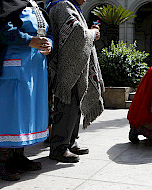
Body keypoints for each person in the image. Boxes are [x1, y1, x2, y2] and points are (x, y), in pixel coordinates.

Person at [0, 0, 53, 181]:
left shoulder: (33, 3)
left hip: (33, 69)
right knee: (8, 112)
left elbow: (48, 31)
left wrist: (49, 44)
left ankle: (18, 156)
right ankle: (2, 161)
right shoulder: (1, 1)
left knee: (24, 114)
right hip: (10, 66)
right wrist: (30, 40)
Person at [46, 0, 104, 163]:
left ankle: (70, 142)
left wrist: (90, 32)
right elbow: (75, 31)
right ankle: (59, 147)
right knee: (66, 105)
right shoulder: (63, 5)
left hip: (74, 65)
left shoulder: (69, 6)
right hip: (66, 66)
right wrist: (92, 33)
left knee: (74, 106)